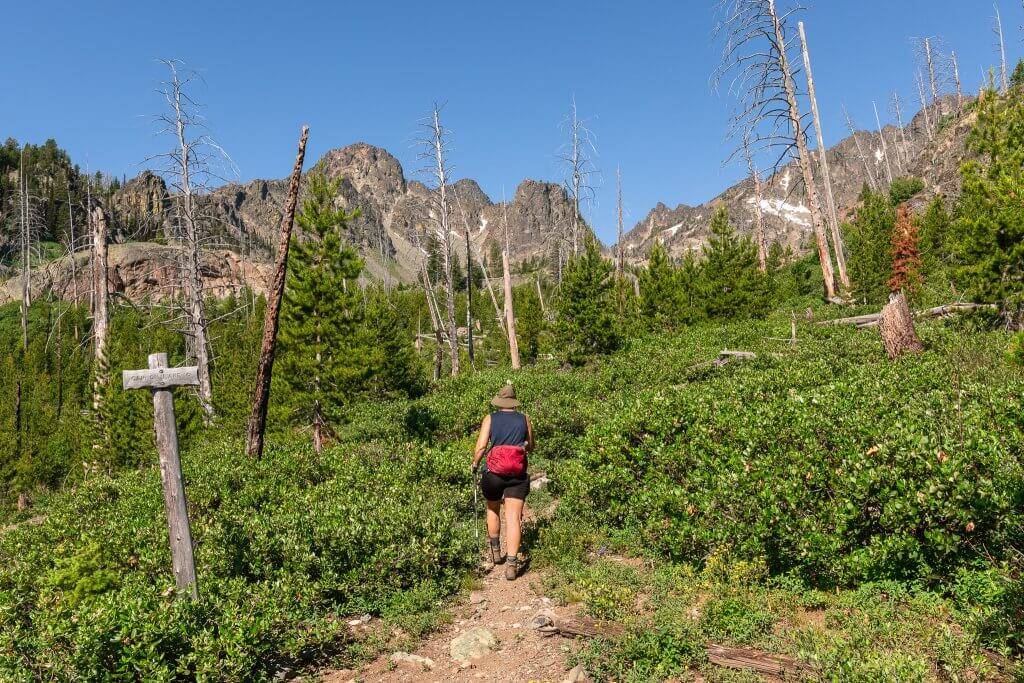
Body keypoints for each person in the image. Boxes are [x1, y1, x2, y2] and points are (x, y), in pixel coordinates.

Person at [471, 384, 535, 581]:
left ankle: (496, 552)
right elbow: (531, 446)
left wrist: (474, 463)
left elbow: (482, 446)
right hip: (517, 473)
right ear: (514, 402)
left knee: (492, 509)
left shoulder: (490, 418)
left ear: (499, 402)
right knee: (514, 517)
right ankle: (512, 564)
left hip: (493, 474)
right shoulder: (525, 419)